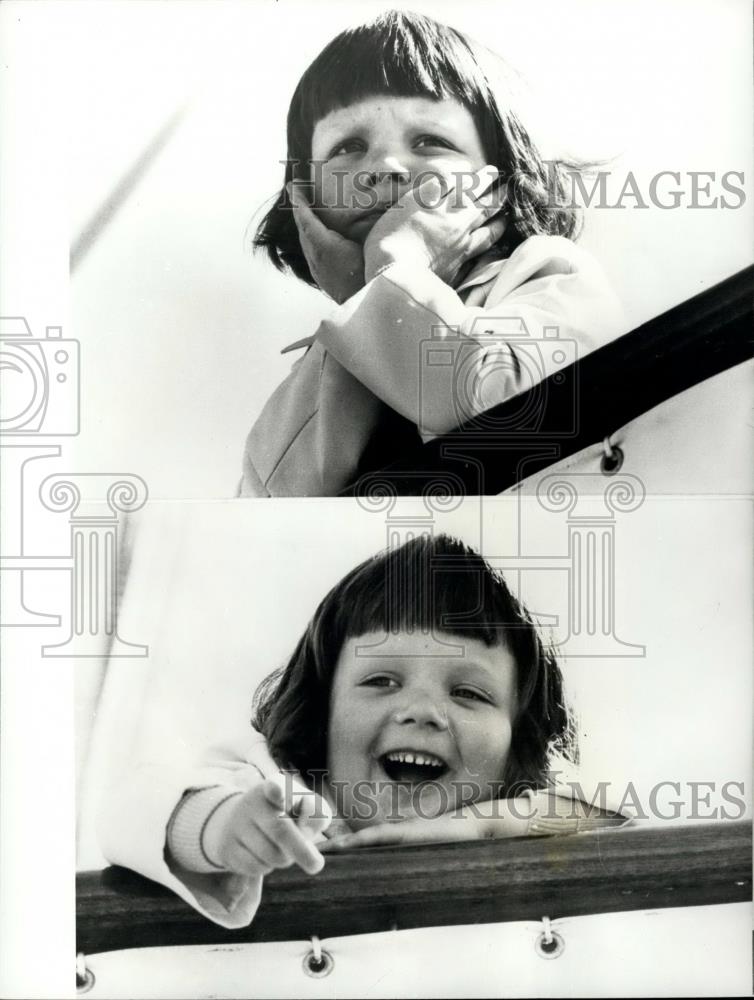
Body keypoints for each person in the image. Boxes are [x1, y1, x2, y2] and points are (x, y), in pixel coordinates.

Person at [99, 535, 626, 929]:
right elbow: (129, 806)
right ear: (321, 713)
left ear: (516, 749)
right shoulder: (271, 785)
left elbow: (618, 821)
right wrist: (223, 827)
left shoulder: (515, 817)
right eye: (381, 680)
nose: (422, 711)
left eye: (468, 693)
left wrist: (481, 827)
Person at [241, 10, 625, 496]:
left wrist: (394, 268)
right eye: (348, 147)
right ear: (304, 197)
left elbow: (505, 415)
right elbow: (276, 512)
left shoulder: (550, 277)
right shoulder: (314, 370)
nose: (385, 167)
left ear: (500, 178)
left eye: (430, 141)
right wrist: (366, 303)